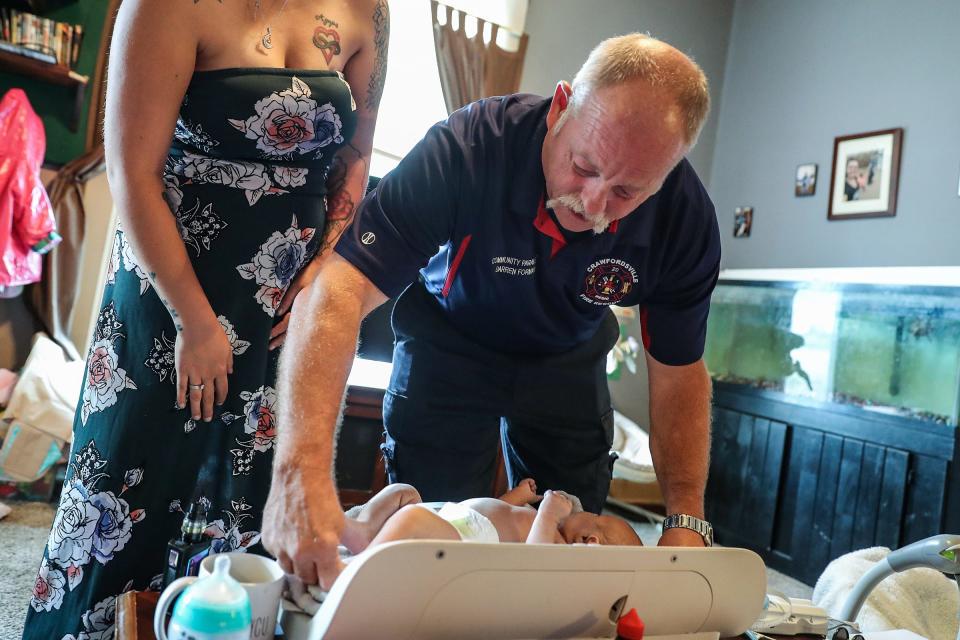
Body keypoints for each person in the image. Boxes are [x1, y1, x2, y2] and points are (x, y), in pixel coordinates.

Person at [263, 33, 720, 589]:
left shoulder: (685, 221)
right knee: (431, 543)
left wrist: (685, 522)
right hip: (450, 336)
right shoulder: (470, 147)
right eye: (583, 166)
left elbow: (678, 372)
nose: (594, 206)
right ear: (559, 108)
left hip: (567, 353)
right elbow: (339, 287)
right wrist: (299, 473)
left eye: (628, 192)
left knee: (573, 554)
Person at [23, 1, 388, 638]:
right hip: (170, 286)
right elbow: (134, 174)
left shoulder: (369, 8)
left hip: (286, 296)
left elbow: (356, 153)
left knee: (246, 498)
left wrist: (323, 263)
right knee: (128, 487)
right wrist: (194, 323)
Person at [342, 479, 642, 551]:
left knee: (410, 520)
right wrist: (517, 498)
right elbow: (497, 510)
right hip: (456, 517)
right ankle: (365, 530)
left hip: (468, 536)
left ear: (589, 540)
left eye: (597, 518)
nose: (588, 511)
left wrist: (549, 514)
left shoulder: (554, 546)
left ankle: (356, 568)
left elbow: (530, 561)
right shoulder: (533, 519)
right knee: (402, 491)